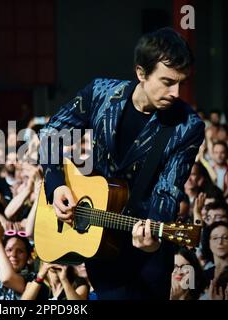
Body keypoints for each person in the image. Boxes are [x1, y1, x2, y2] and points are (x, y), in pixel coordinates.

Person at [39, 27, 205, 299]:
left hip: (146, 257)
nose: (176, 92)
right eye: (167, 82)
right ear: (141, 73)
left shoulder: (188, 126)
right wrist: (57, 185)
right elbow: (50, 134)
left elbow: (169, 187)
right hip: (97, 241)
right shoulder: (101, 92)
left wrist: (156, 229)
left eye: (181, 83)